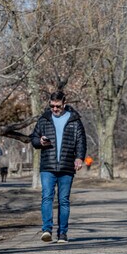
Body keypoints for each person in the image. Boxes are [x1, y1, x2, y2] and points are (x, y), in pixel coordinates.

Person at [30, 91, 87, 244]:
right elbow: (33, 138)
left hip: (67, 166)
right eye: (52, 106)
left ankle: (62, 233)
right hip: (47, 165)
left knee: (64, 200)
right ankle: (47, 230)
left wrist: (79, 158)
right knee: (47, 196)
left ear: (64, 103)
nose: (55, 109)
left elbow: (81, 142)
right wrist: (39, 141)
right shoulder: (44, 119)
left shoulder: (74, 120)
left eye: (58, 106)